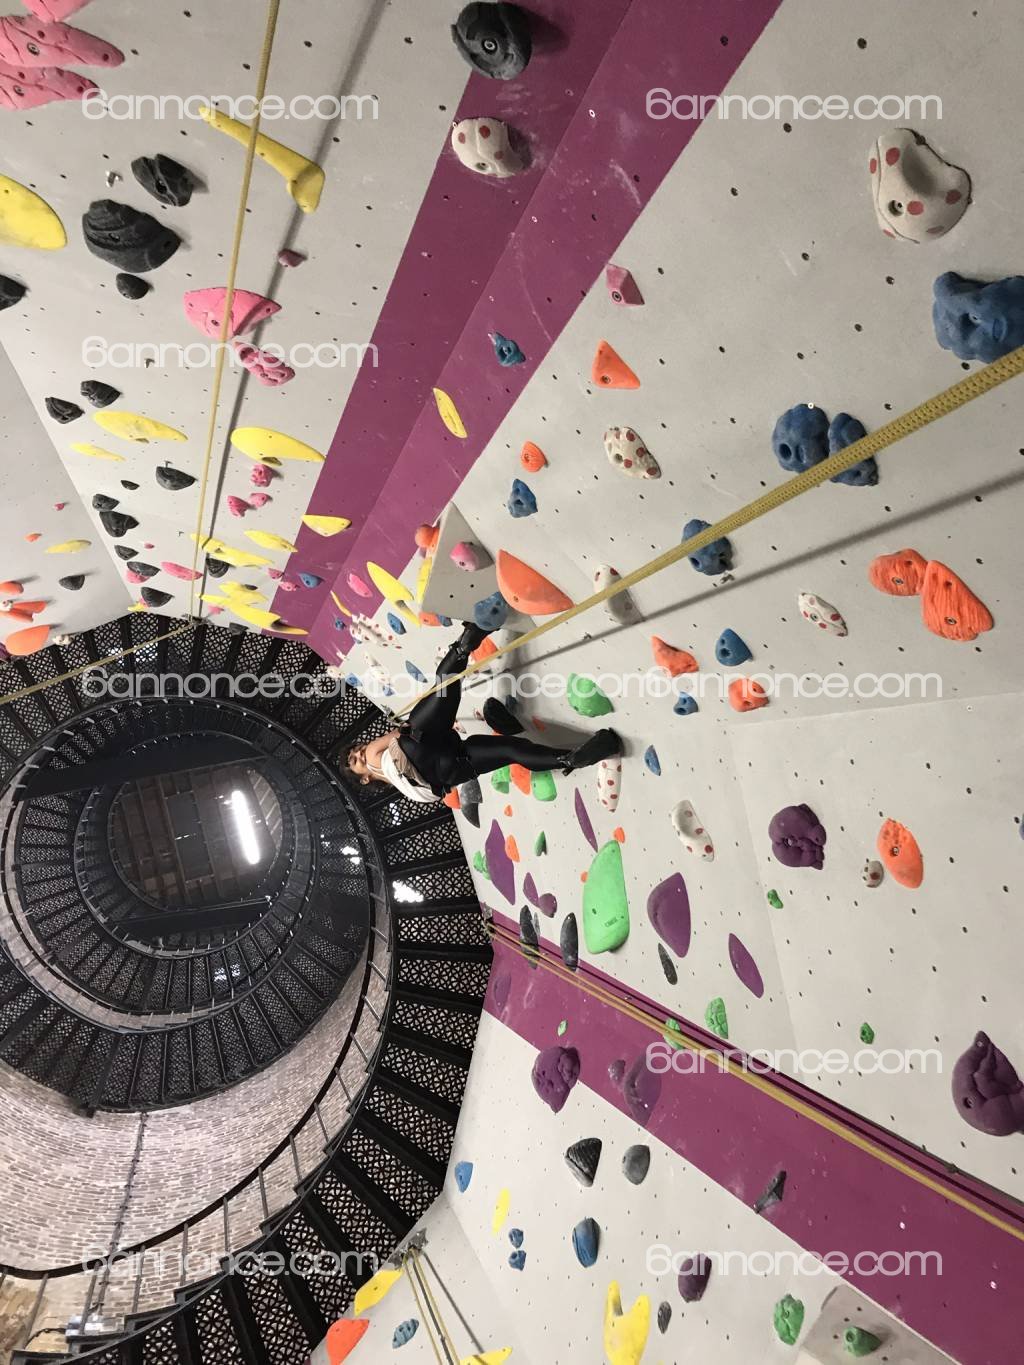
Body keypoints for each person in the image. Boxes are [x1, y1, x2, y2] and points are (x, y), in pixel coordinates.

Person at [345, 622, 621, 803]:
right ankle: (468, 640)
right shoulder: (374, 756)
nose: (360, 752)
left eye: (356, 750)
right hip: (418, 746)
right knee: (445, 686)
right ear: (365, 778)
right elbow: (396, 733)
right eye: (355, 760)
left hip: (445, 773)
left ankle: (569, 759)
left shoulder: (403, 790)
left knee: (511, 751)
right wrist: (419, 725)